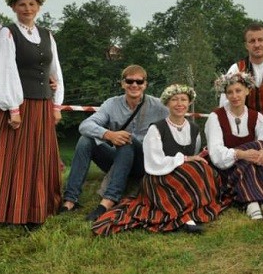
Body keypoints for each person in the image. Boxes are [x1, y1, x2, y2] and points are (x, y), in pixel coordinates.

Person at [92, 85, 227, 236]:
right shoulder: (156, 128)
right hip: (160, 177)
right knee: (190, 169)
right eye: (174, 100)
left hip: (184, 176)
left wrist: (194, 160)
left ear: (189, 103)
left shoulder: (194, 129)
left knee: (203, 168)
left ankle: (189, 211)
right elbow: (153, 161)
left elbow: (194, 154)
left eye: (183, 99)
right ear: (167, 103)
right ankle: (187, 218)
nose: (179, 104)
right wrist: (184, 159)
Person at [0, 0, 64, 227]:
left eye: (31, 4)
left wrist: (56, 103)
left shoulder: (47, 34)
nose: (27, 9)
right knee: (14, 160)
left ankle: (36, 210)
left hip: (42, 105)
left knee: (39, 158)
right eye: (22, 5)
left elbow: (55, 70)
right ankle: (9, 213)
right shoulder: (8, 33)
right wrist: (13, 108)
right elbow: (5, 70)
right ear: (13, 8)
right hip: (19, 105)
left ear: (38, 7)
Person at [60, 65, 168, 221]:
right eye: (129, 81)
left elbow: (178, 120)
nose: (134, 85)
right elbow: (85, 126)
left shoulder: (159, 105)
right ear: (122, 83)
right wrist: (108, 134)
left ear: (145, 84)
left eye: (139, 81)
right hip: (118, 159)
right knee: (86, 140)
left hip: (143, 162)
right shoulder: (111, 104)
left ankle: (108, 200)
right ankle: (70, 200)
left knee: (127, 140)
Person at [207, 72, 263, 220]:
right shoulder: (215, 117)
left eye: (238, 91)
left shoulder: (256, 117)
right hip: (227, 170)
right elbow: (215, 153)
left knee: (261, 146)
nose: (234, 96)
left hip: (251, 166)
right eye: (230, 92)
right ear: (225, 95)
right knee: (255, 146)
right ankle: (254, 200)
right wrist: (241, 154)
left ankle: (256, 198)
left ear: (247, 90)